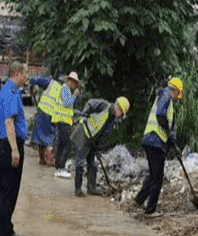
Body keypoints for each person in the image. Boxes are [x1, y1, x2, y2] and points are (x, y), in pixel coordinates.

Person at [0, 61, 29, 236]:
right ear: (18, 73)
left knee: (0, 188)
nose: (28, 76)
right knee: (9, 189)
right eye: (26, 72)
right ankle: (6, 231)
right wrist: (15, 150)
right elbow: (9, 122)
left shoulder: (5, 90)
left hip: (4, 144)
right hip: (10, 144)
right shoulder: (12, 92)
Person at [134, 77, 183, 215]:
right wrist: (168, 132)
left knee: (153, 174)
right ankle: (150, 210)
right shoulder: (166, 95)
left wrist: (172, 142)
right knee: (158, 177)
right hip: (156, 140)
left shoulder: (162, 96)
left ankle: (140, 198)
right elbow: (161, 115)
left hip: (149, 139)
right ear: (176, 91)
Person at [71, 95, 130, 196]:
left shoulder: (112, 120)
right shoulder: (105, 106)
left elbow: (101, 133)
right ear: (117, 106)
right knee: (80, 162)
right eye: (120, 110)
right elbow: (90, 103)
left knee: (92, 164)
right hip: (84, 132)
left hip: (92, 138)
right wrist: (84, 115)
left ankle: (92, 188)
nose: (119, 113)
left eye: (121, 112)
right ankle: (78, 189)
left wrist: (97, 147)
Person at [29, 71, 81, 172]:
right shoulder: (62, 88)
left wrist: (32, 82)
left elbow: (36, 80)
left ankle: (44, 159)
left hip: (49, 114)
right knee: (49, 139)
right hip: (47, 113)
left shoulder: (55, 84)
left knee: (44, 138)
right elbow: (67, 103)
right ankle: (47, 159)